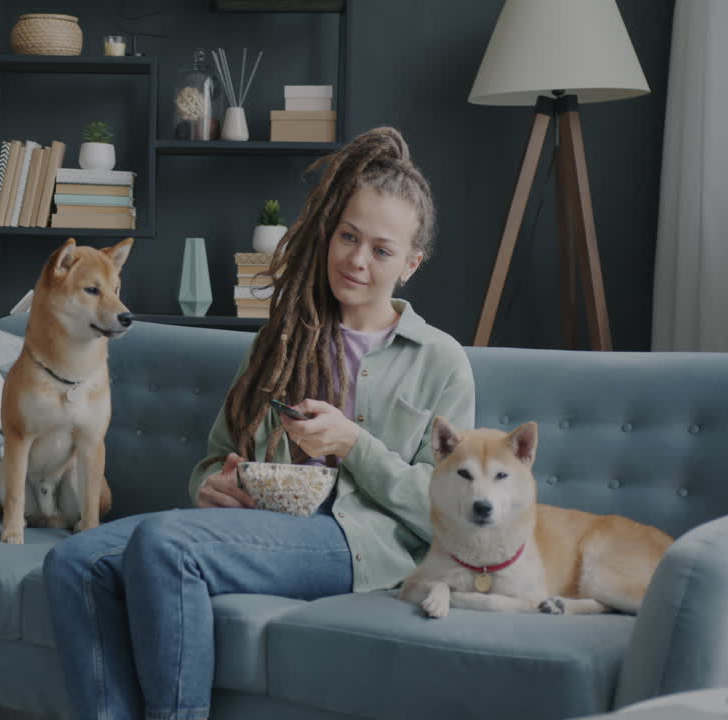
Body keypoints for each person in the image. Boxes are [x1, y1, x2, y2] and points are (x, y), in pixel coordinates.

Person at [43, 126, 475, 720]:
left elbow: (449, 510)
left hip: (358, 541)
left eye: (381, 249)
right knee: (74, 563)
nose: (355, 259)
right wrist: (209, 486)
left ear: (410, 265)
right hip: (267, 523)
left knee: (166, 545)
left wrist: (354, 445)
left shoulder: (442, 362)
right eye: (347, 236)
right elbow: (215, 454)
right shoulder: (283, 339)